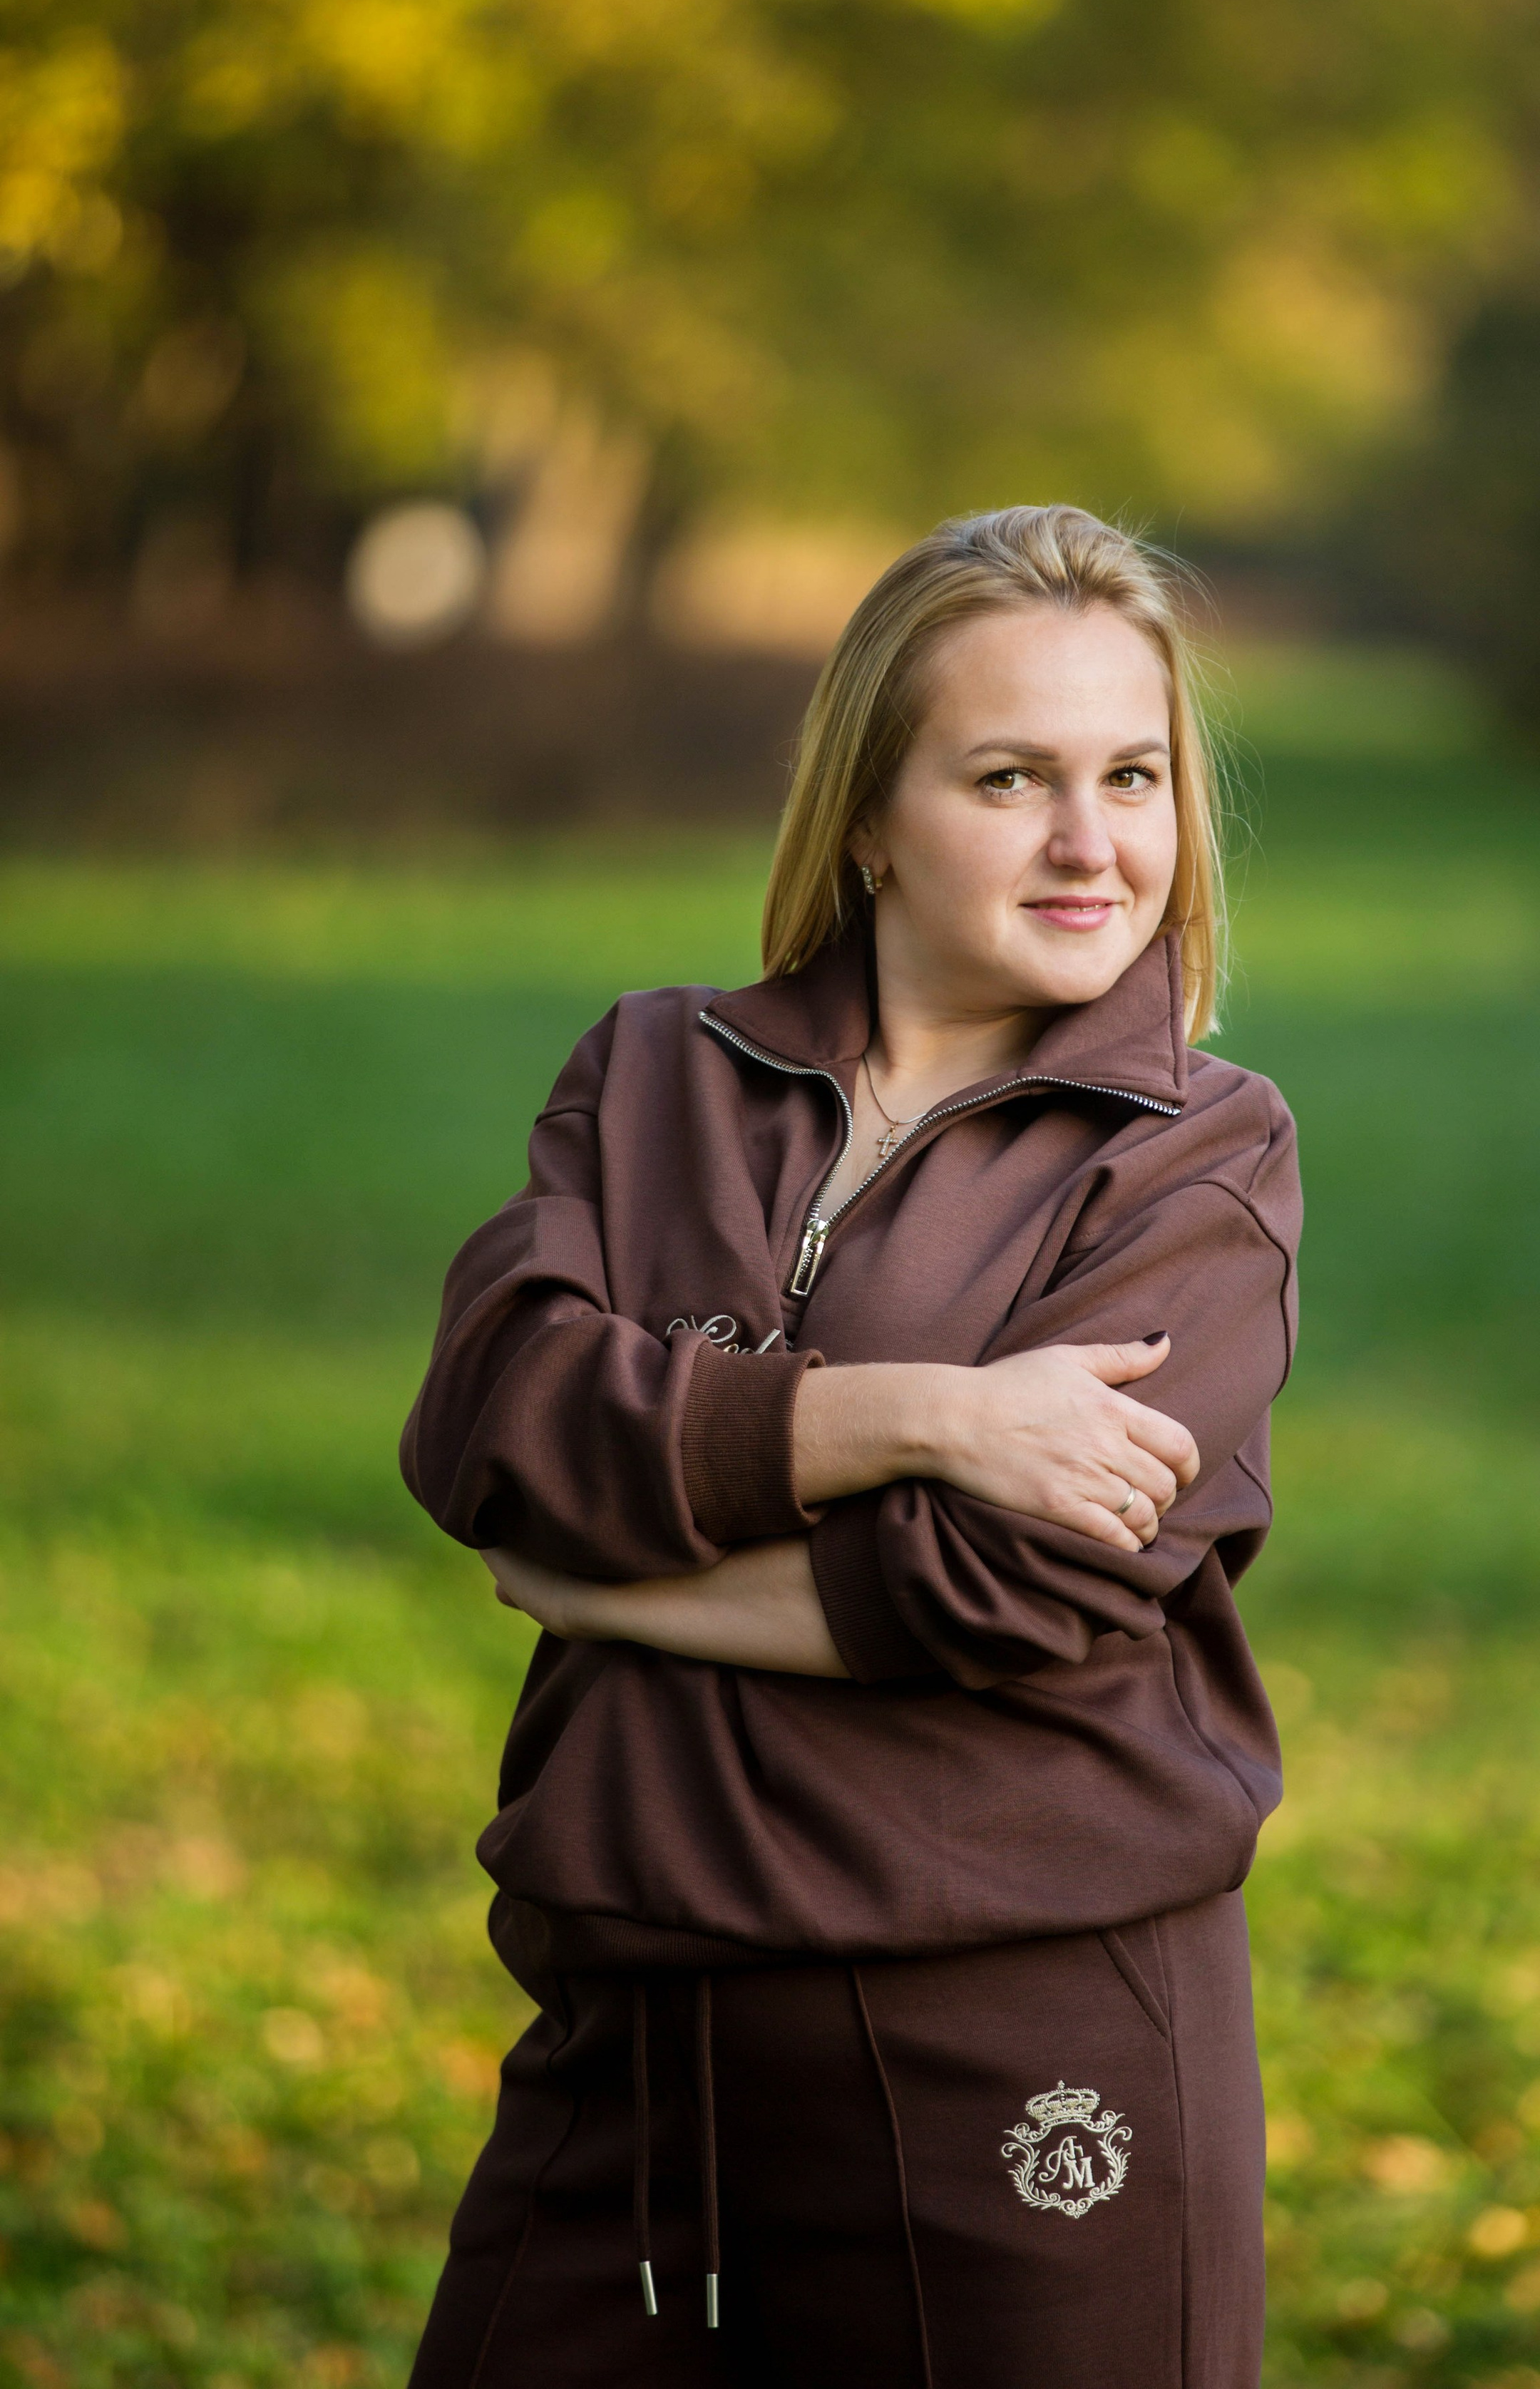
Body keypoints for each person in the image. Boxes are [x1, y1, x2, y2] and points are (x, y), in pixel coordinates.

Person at [401, 504, 1300, 2389]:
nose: (1092, 843)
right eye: (1011, 777)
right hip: (632, 2046)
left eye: (1132, 776)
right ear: (868, 817)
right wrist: (928, 1416)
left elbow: (1012, 1582)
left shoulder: (1195, 1155)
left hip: (1021, 2058)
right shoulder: (656, 1075)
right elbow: (496, 1418)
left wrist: (599, 1576)